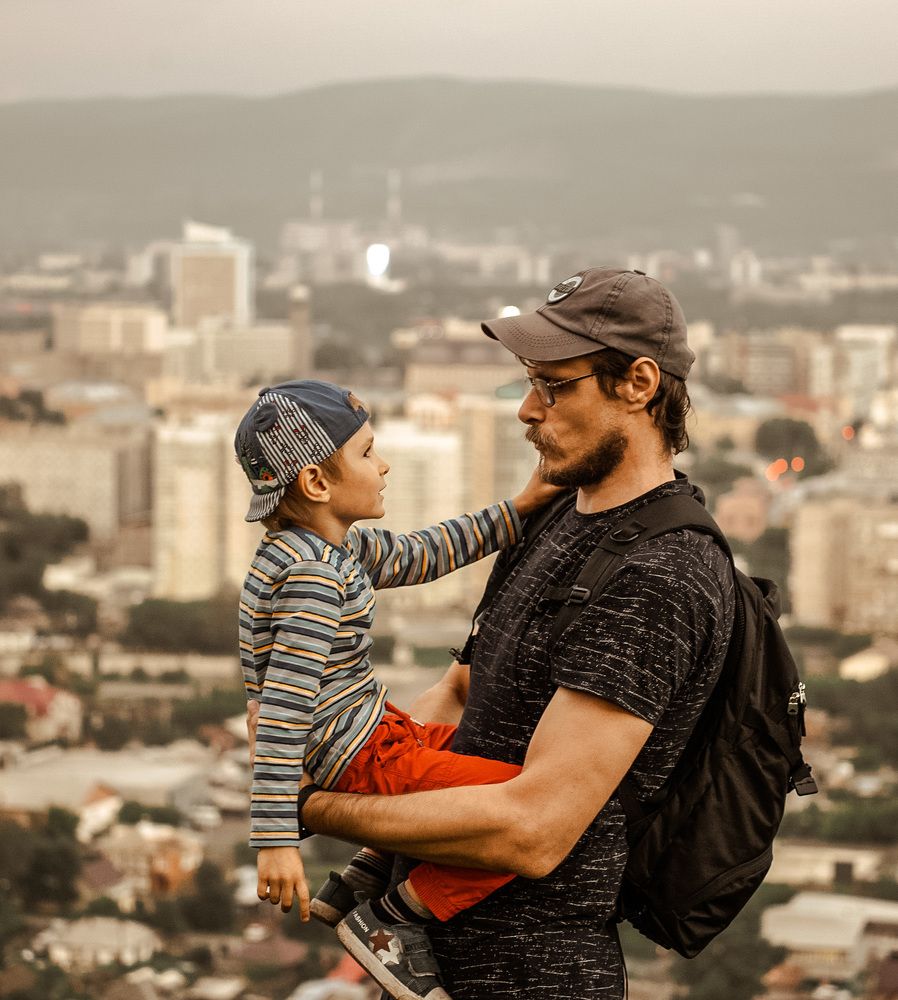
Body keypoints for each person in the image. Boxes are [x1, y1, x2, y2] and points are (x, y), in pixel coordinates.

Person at [250, 268, 737, 1000]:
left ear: (639, 384)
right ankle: (376, 889)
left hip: (529, 976)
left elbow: (533, 831)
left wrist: (307, 806)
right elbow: (462, 690)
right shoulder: (553, 523)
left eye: (555, 386)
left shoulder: (661, 572)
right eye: (527, 384)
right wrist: (371, 809)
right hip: (425, 967)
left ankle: (386, 905)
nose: (527, 411)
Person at [235, 379, 561, 1000]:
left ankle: (366, 871)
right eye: (366, 453)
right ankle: (395, 918)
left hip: (377, 735)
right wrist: (275, 839)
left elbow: (422, 553)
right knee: (536, 816)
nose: (382, 466)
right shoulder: (311, 579)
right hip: (362, 758)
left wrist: (518, 508)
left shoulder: (327, 549)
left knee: (506, 758)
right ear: (316, 484)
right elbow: (280, 711)